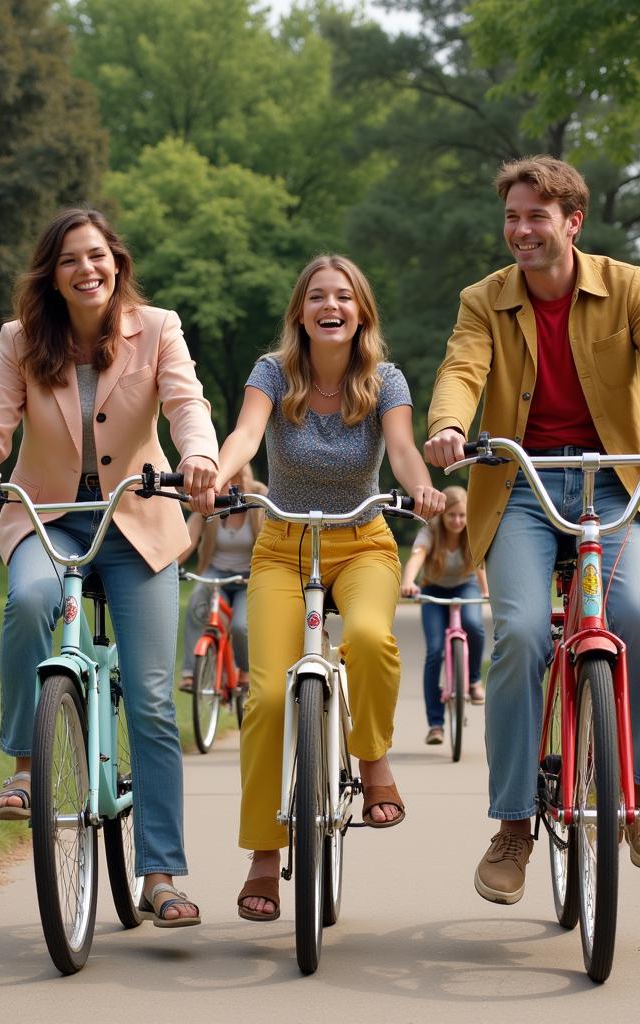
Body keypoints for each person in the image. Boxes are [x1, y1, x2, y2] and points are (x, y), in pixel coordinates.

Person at [424, 156, 640, 906]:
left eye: (536, 215)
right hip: (522, 488)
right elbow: (462, 371)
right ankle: (512, 826)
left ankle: (638, 796)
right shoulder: (485, 300)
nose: (521, 230)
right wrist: (447, 427)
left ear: (573, 221)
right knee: (520, 632)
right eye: (512, 216)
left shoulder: (626, 285)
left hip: (615, 484)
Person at [0, 207, 218, 927]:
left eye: (97, 255)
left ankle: (161, 874)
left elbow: (186, 402)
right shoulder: (22, 340)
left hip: (139, 516)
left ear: (116, 262)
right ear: (52, 275)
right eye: (70, 260)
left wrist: (198, 457)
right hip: (49, 516)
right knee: (30, 600)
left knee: (154, 698)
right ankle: (26, 770)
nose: (86, 269)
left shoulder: (158, 328)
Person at [213, 254, 444, 921]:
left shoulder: (386, 380)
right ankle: (263, 856)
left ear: (360, 311)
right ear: (301, 312)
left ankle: (372, 761)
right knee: (264, 698)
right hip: (282, 547)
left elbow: (401, 449)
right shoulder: (272, 372)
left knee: (371, 638)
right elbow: (247, 433)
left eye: (343, 296)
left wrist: (419, 485)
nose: (330, 305)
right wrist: (222, 472)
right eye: (317, 296)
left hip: (362, 541)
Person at [400, 484, 489, 744]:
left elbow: (479, 564)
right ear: (442, 515)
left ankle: (473, 680)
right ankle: (436, 724)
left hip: (466, 585)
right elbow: (417, 557)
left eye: (462, 515)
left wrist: (485, 591)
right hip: (433, 589)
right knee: (435, 651)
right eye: (452, 515)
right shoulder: (430, 531)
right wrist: (409, 581)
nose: (458, 521)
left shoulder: (471, 531)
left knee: (474, 624)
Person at [177, 464, 265, 693]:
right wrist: (169, 566)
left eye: (237, 478)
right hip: (215, 571)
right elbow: (189, 538)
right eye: (228, 478)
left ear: (246, 477)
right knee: (196, 604)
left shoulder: (258, 498)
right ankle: (190, 673)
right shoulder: (212, 498)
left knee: (240, 626)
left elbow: (269, 533)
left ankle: (244, 671)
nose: (231, 485)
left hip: (247, 575)